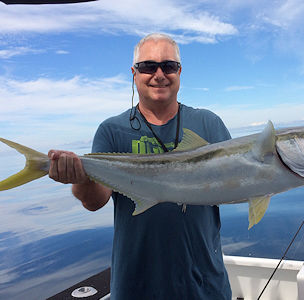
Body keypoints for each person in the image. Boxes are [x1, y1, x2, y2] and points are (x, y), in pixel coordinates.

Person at [48, 33, 232, 299]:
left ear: (179, 72)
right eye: (148, 66)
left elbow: (235, 186)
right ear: (134, 73)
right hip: (136, 286)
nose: (159, 74)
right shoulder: (112, 130)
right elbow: (94, 201)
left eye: (168, 66)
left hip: (204, 286)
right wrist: (80, 178)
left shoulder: (208, 123)